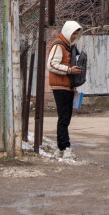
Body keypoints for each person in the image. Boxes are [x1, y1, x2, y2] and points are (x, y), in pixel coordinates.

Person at [45, 20, 86, 160]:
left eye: (76, 34)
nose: (74, 36)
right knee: (64, 117)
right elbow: (51, 64)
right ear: (68, 32)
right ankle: (64, 146)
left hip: (67, 86)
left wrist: (73, 85)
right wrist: (69, 70)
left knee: (65, 117)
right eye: (73, 33)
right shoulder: (59, 45)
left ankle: (61, 147)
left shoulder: (69, 46)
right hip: (60, 86)